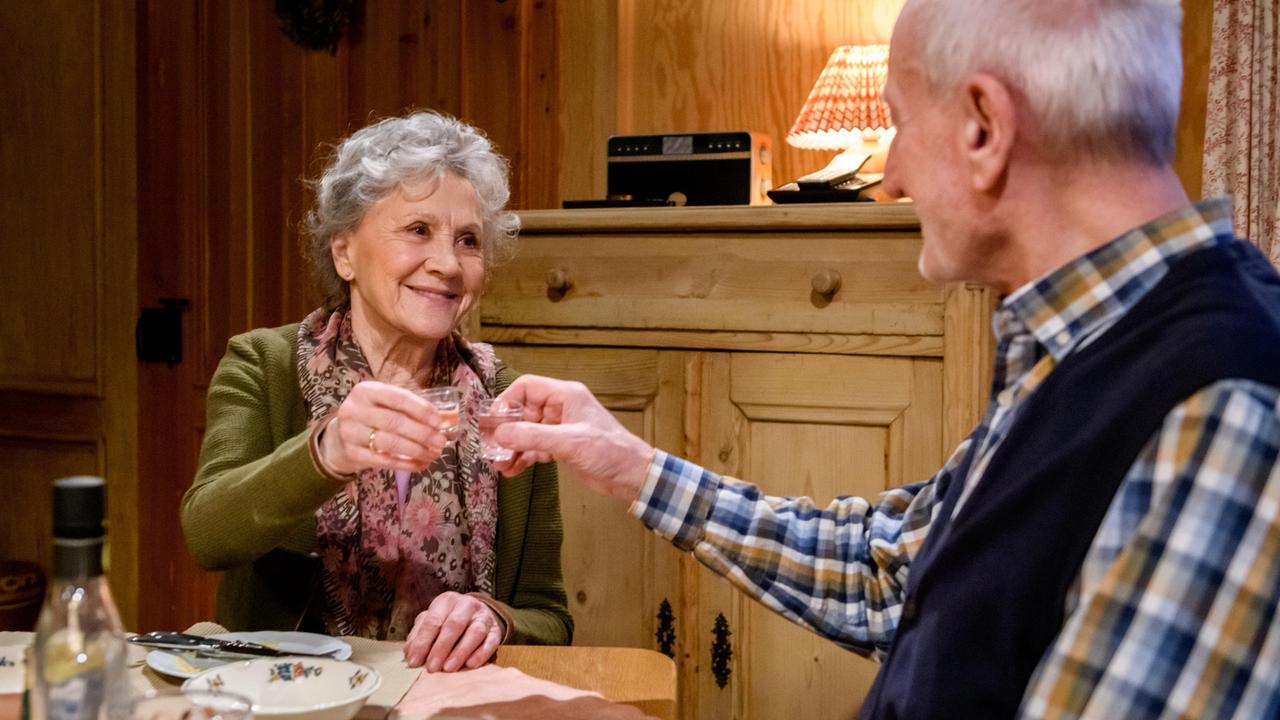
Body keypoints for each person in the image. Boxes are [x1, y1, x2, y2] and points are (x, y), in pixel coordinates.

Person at [491, 0, 1280, 717]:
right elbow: (889, 578)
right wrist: (631, 464)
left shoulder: (1222, 407)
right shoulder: (1086, 342)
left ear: (983, 127)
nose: (890, 173)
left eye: (898, 123)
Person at [181, 111, 571, 674]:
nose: (446, 264)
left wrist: (495, 617)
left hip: (447, 701)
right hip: (295, 700)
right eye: (418, 230)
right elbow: (207, 534)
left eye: (468, 240)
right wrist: (327, 451)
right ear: (344, 253)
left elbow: (550, 618)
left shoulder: (506, 399)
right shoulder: (264, 365)